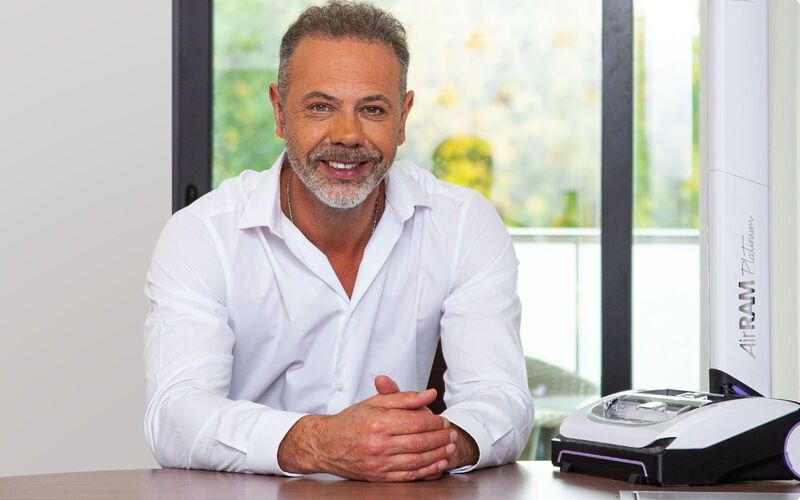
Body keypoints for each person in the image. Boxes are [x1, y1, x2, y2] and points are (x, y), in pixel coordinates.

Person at [144, 0, 533, 482]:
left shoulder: (462, 224)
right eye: (320, 107)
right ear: (279, 111)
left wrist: (442, 442)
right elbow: (175, 417)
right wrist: (319, 443)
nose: (347, 135)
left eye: (372, 109)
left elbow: (504, 400)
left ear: (403, 117)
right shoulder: (202, 235)